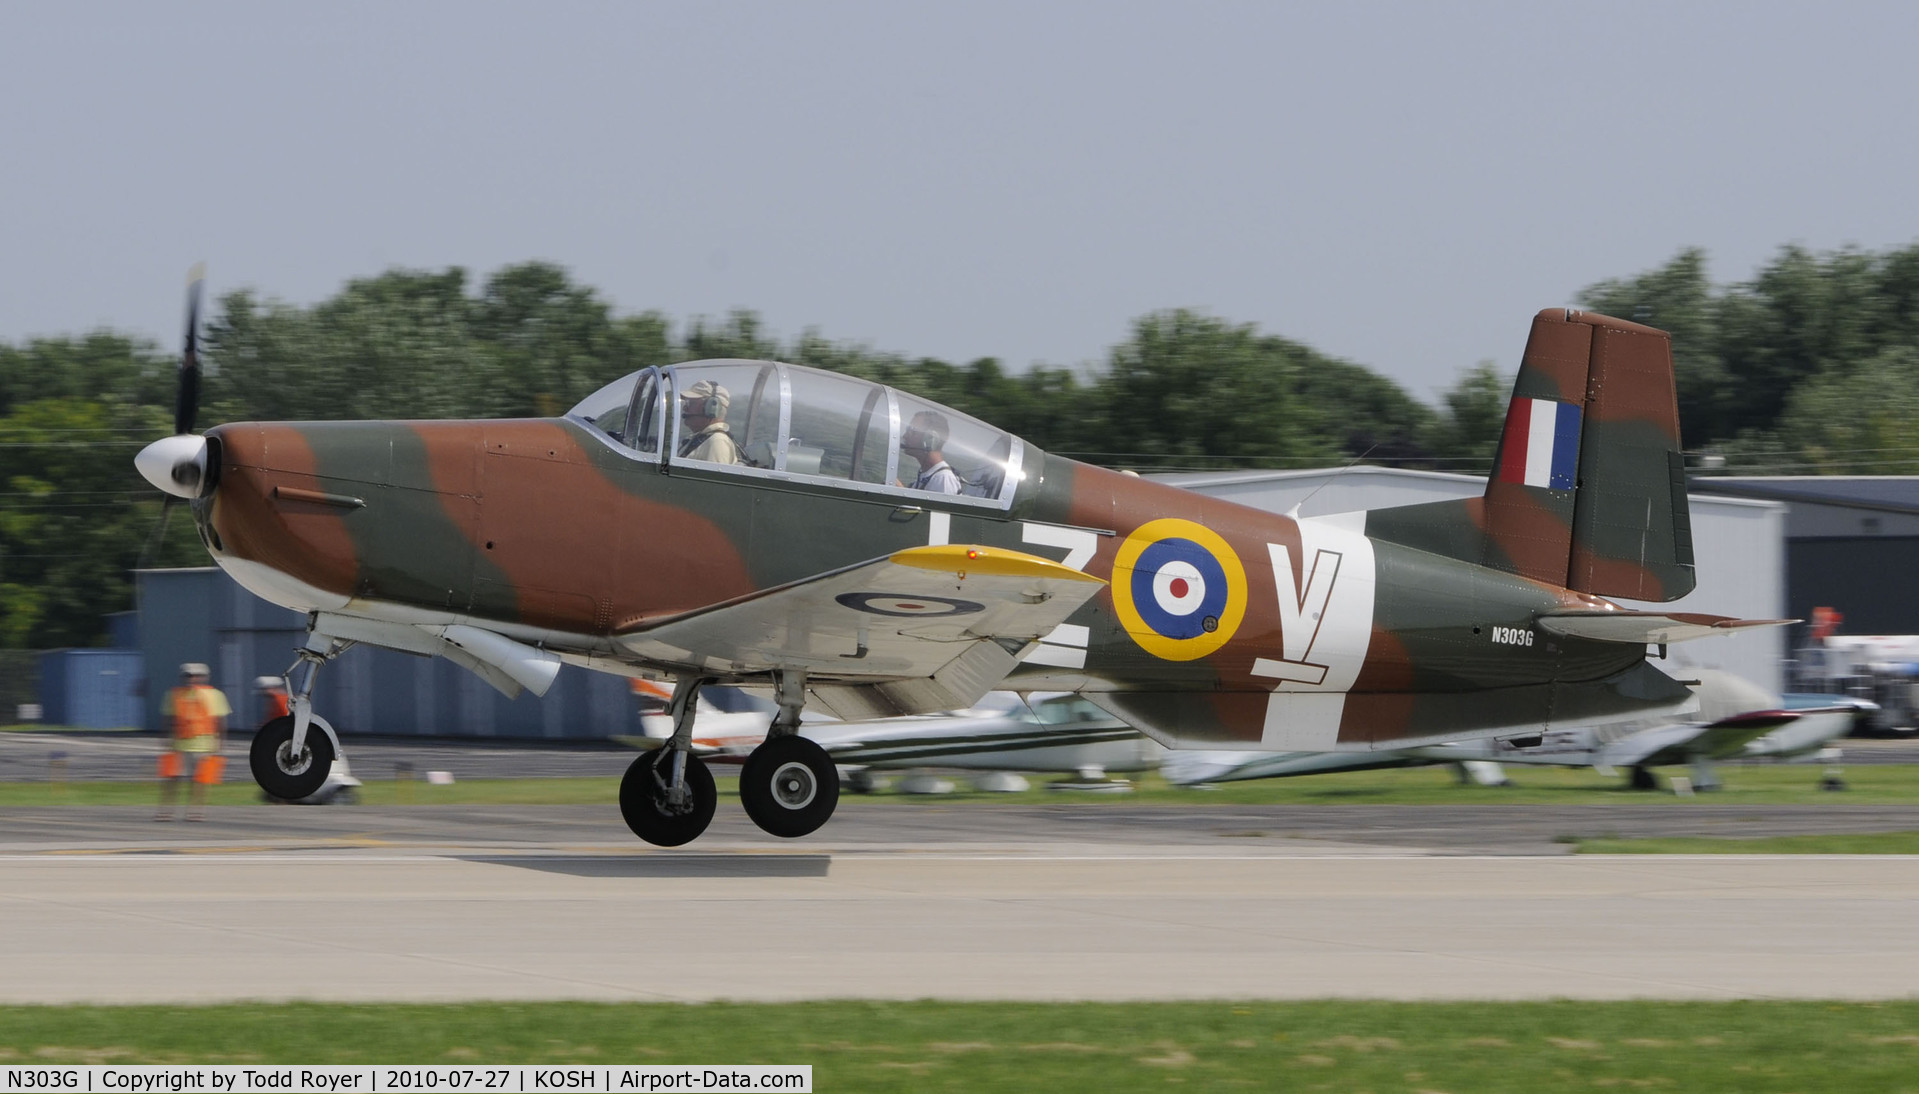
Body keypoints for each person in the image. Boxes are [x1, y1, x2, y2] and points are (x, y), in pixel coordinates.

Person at [157, 663, 230, 821]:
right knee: (172, 780)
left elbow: (220, 721)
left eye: (196, 675)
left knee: (201, 781)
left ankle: (196, 811)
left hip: (204, 745)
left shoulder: (215, 695)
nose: (192, 679)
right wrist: (165, 741)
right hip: (179, 744)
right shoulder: (173, 695)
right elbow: (167, 719)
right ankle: (166, 811)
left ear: (204, 677)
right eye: (188, 675)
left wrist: (220, 744)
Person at [677, 379, 741, 464]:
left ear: (711, 408)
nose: (685, 408)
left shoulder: (717, 441)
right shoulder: (700, 438)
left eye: (690, 403)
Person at [901, 410, 961, 494]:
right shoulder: (927, 474)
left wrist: (901, 491)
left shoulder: (942, 479)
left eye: (912, 431)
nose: (905, 436)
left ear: (930, 438)